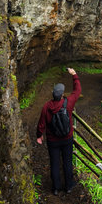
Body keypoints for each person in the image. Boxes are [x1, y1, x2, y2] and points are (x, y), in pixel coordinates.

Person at [36, 67, 81, 195]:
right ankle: (69, 186)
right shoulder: (68, 103)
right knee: (67, 162)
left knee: (55, 163)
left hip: (53, 140)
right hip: (67, 138)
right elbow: (77, 91)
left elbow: (41, 124)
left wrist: (39, 136)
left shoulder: (47, 107)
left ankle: (56, 188)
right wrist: (74, 75)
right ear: (62, 95)